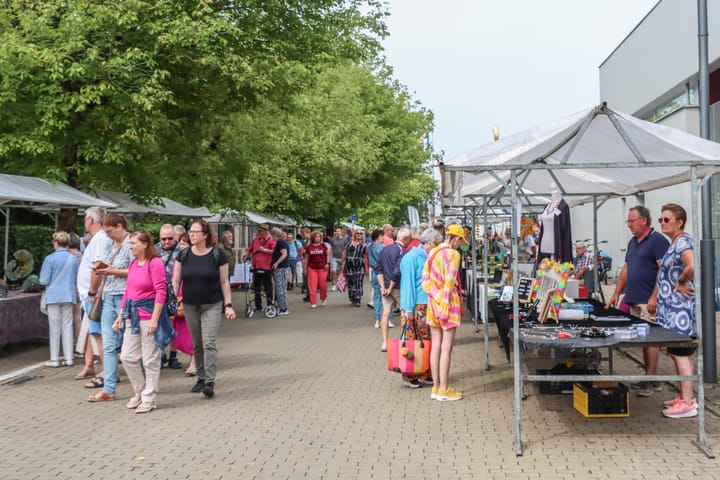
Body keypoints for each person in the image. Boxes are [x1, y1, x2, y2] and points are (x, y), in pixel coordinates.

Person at [606, 205, 669, 397]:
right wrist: (617, 293)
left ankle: (650, 381)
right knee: (644, 341)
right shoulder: (633, 242)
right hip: (634, 298)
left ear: (643, 220)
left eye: (631, 221)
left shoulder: (658, 241)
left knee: (651, 341)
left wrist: (654, 297)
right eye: (628, 221)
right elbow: (626, 268)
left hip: (648, 301)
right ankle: (652, 378)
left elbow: (663, 271)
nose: (629, 225)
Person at [172, 220, 236, 398]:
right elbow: (176, 280)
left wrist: (228, 305)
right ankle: (200, 378)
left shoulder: (217, 255)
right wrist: (172, 298)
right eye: (190, 232)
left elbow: (224, 282)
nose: (191, 234)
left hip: (212, 304)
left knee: (208, 343)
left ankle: (209, 381)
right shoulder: (183, 255)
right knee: (197, 344)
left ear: (205, 235)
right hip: (190, 305)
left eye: (195, 232)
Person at [114, 230, 174, 413]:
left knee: (150, 359)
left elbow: (161, 292)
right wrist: (120, 314)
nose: (130, 247)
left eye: (133, 243)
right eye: (130, 243)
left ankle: (149, 398)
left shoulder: (155, 264)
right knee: (127, 356)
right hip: (132, 315)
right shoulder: (133, 264)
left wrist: (155, 319)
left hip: (149, 315)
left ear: (145, 244)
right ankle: (140, 390)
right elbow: (128, 291)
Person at [650, 204, 697, 418]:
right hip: (672, 311)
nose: (662, 223)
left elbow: (692, 265)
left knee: (681, 354)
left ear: (679, 222)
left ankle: (687, 403)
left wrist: (680, 281)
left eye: (666, 219)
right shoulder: (675, 243)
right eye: (660, 220)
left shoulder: (684, 241)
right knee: (680, 354)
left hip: (680, 312)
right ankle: (685, 395)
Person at [87, 213, 132, 401]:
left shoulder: (132, 243)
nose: (107, 235)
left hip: (125, 298)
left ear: (120, 226)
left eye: (110, 231)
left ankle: (143, 386)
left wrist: (110, 270)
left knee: (131, 346)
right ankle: (109, 389)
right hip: (107, 297)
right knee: (108, 345)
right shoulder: (109, 245)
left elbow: (137, 270)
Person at [422, 223, 466, 401]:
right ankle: (444, 389)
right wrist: (444, 301)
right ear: (455, 239)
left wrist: (437, 297)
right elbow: (449, 283)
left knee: (436, 346)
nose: (460, 244)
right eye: (460, 241)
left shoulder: (433, 252)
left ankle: (435, 388)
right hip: (448, 305)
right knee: (446, 348)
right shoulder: (454, 255)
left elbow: (425, 281)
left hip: (432, 303)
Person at [399, 228, 442, 388]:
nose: (437, 247)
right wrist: (408, 310)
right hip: (415, 306)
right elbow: (408, 286)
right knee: (412, 341)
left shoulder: (428, 257)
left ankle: (425, 371)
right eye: (436, 244)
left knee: (426, 341)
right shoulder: (412, 258)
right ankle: (410, 374)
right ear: (428, 243)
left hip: (427, 305)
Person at [75, 206, 112, 381]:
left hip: (94, 295)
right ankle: (91, 366)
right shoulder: (99, 238)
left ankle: (107, 371)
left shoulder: (100, 239)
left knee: (99, 334)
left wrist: (91, 292)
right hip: (90, 295)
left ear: (90, 221)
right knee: (93, 333)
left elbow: (97, 267)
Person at [39, 231, 80, 368]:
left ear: (56, 243)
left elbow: (44, 280)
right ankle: (69, 358)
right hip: (68, 295)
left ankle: (55, 359)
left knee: (55, 328)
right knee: (67, 326)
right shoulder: (73, 259)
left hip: (53, 296)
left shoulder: (49, 259)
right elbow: (76, 278)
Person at [375, 227, 411, 352]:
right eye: (409, 239)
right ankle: (403, 340)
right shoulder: (403, 251)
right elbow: (397, 272)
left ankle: (385, 342)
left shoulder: (385, 249)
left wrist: (382, 286)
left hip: (385, 286)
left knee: (386, 312)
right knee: (404, 312)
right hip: (398, 287)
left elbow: (378, 268)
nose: (409, 241)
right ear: (405, 238)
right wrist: (390, 287)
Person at [154, 224, 182, 369]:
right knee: (158, 323)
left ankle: (173, 355)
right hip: (157, 292)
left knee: (172, 323)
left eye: (169, 238)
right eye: (163, 239)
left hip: (175, 292)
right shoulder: (154, 249)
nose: (166, 242)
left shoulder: (181, 250)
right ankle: (160, 354)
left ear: (174, 237)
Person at [172, 234, 196, 376]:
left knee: (191, 329)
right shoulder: (179, 259)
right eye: (180, 243)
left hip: (192, 294)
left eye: (185, 243)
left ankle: (194, 361)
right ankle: (193, 358)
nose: (181, 246)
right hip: (180, 295)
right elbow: (175, 279)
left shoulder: (195, 259)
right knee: (180, 330)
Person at [536, 182, 573, 263]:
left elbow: (564, 227)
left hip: (556, 243)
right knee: (545, 269)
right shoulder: (547, 206)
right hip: (544, 242)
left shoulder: (563, 207)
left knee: (555, 271)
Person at [247, 223, 275, 311]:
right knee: (256, 287)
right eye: (259, 231)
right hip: (256, 266)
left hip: (266, 267)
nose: (259, 232)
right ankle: (258, 306)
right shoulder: (255, 240)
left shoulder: (271, 240)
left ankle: (269, 306)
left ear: (266, 231)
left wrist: (265, 250)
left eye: (261, 231)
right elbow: (250, 249)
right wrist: (246, 255)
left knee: (268, 287)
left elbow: (275, 251)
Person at [303, 231, 331, 308]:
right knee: (312, 285)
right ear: (313, 238)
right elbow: (306, 259)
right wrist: (305, 269)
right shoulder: (309, 247)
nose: (317, 238)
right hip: (312, 268)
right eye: (316, 237)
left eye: (319, 237)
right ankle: (313, 302)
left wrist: (327, 263)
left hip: (322, 268)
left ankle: (323, 298)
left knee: (323, 285)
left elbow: (328, 255)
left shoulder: (323, 246)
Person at [341, 230, 368, 307]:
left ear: (362, 236)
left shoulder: (364, 245)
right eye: (357, 233)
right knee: (350, 283)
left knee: (358, 282)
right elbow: (344, 252)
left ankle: (357, 299)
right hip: (349, 267)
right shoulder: (349, 243)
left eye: (360, 233)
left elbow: (366, 257)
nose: (359, 235)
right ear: (355, 235)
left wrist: (366, 268)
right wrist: (342, 263)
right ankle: (352, 298)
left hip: (359, 267)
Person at [270, 227, 291, 315]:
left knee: (281, 288)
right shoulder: (281, 242)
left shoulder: (280, 242)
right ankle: (282, 306)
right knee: (281, 288)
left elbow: (284, 254)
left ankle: (283, 308)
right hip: (282, 268)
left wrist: (276, 263)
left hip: (281, 269)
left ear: (274, 235)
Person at [367, 228, 385, 327]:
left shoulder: (370, 247)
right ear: (379, 236)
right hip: (383, 274)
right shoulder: (383, 247)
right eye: (382, 236)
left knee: (377, 296)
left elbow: (371, 261)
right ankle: (386, 319)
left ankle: (377, 320)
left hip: (374, 273)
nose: (383, 238)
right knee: (385, 297)